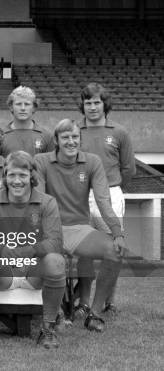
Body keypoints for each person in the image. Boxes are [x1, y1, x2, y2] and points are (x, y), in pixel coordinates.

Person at [34, 119, 126, 333]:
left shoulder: (92, 162)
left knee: (115, 251)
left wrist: (117, 232)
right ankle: (54, 313)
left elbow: (104, 202)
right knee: (50, 263)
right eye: (65, 137)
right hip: (50, 228)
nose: (71, 141)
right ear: (56, 140)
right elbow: (38, 201)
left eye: (75, 137)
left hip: (79, 229)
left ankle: (94, 314)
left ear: (80, 139)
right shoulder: (41, 161)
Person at [0, 151, 66, 349]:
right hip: (4, 272)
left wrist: (27, 251)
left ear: (31, 177)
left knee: (56, 261)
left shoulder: (47, 202)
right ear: (5, 177)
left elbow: (56, 242)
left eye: (23, 175)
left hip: (34, 271)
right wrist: (3, 250)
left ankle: (47, 329)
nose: (17, 181)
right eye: (12, 175)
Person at [76, 82, 136, 315]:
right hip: (80, 194)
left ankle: (108, 301)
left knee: (114, 248)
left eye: (96, 102)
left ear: (105, 104)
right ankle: (83, 302)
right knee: (83, 251)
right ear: (82, 105)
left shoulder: (119, 132)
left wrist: (113, 187)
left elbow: (128, 168)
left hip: (109, 194)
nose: (92, 107)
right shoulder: (74, 130)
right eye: (88, 102)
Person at [0, 86, 54, 157]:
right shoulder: (0, 136)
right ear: (11, 107)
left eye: (27, 104)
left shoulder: (47, 136)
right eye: (18, 104)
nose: (23, 108)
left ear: (34, 108)